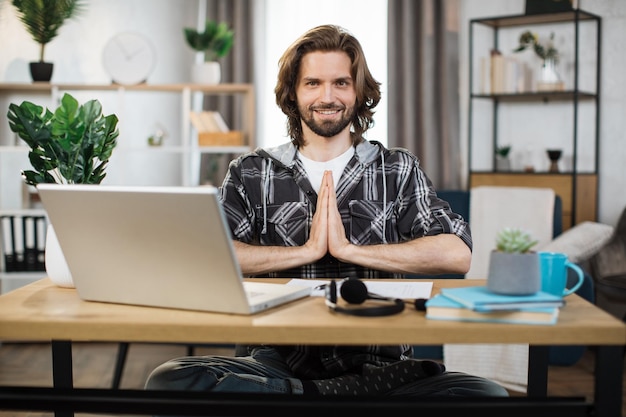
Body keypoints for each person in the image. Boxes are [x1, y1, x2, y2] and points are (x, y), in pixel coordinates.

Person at [145, 24, 508, 398]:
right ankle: (337, 394)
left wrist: (351, 250)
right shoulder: (251, 171)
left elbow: (457, 254)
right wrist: (305, 252)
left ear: (359, 92)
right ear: (293, 92)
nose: (327, 96)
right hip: (275, 358)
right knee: (170, 378)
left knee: (486, 395)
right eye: (313, 83)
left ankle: (304, 396)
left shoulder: (397, 168)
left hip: (379, 360)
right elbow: (207, 255)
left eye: (341, 83)